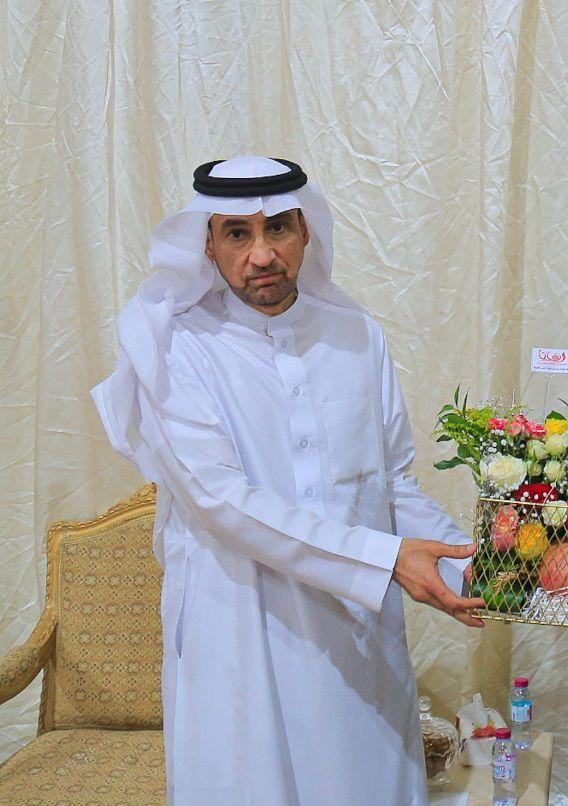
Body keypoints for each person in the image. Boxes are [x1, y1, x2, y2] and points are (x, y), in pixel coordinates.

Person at [91, 156, 484, 805]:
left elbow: (390, 483)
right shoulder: (175, 347)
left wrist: (475, 568)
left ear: (306, 230)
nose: (262, 254)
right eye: (237, 234)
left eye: (277, 228)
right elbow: (222, 501)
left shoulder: (356, 336)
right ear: (207, 243)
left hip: (351, 637)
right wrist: (385, 560)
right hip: (241, 629)